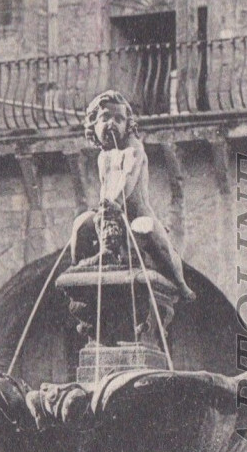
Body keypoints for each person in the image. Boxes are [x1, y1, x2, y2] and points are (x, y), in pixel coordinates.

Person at [68, 90, 196, 300]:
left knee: (161, 243)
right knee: (80, 224)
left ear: (128, 125)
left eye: (119, 119)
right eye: (105, 117)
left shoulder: (134, 149)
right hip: (110, 211)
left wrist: (114, 202)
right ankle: (77, 267)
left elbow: (128, 178)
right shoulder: (103, 157)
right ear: (93, 125)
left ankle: (181, 284)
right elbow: (104, 186)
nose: (112, 123)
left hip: (136, 214)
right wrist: (104, 209)